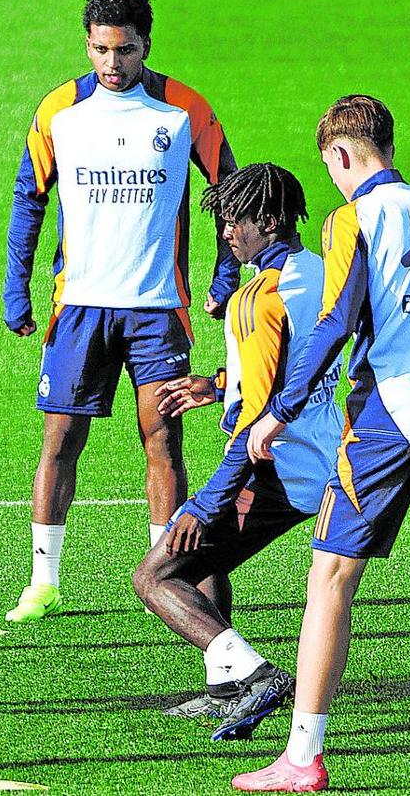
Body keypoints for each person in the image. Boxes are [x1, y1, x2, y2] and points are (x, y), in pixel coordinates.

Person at [232, 95, 410, 791]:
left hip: (388, 423)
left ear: (340, 154)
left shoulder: (352, 218)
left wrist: (278, 409)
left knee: (332, 579)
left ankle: (303, 757)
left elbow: (334, 322)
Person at [2, 0, 239, 622]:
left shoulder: (184, 108)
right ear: (88, 44)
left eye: (126, 51)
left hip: (157, 308)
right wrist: (15, 285)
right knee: (60, 439)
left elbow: (232, 192)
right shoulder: (59, 110)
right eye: (102, 50)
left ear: (146, 46)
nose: (113, 64)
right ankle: (43, 580)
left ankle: (170, 572)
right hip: (77, 305)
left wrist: (224, 280)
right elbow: (30, 197)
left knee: (162, 441)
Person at [131, 163, 341, 742]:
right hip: (327, 454)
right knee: (209, 559)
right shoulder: (323, 274)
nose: (226, 233)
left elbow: (258, 418)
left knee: (157, 575)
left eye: (234, 221)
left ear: (268, 221)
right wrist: (219, 385)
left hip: (277, 466)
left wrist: (204, 502)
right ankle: (227, 687)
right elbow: (295, 371)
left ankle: (252, 673)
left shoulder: (257, 297)